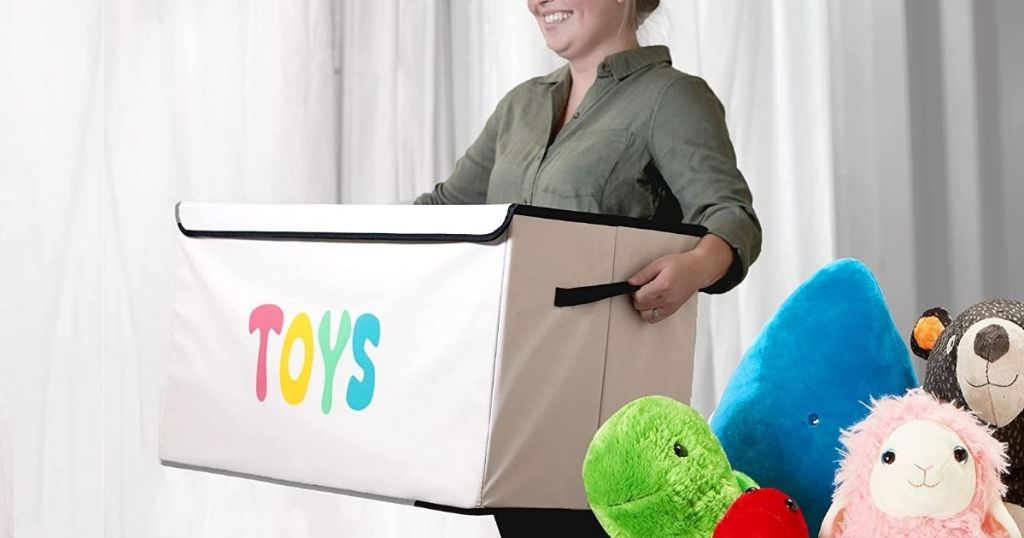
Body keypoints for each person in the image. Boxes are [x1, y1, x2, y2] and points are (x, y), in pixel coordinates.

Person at [415, 0, 762, 535]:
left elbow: (730, 216)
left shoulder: (670, 98)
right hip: (514, 403)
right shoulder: (520, 106)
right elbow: (444, 211)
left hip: (611, 414)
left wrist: (694, 267)